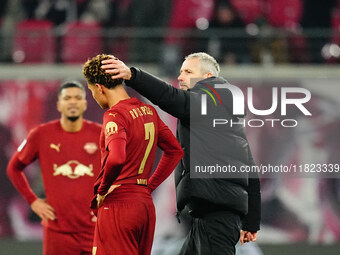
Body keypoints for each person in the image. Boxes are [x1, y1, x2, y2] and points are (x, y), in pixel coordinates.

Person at [101, 52, 261, 255]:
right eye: (180, 71)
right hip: (207, 217)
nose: (180, 76)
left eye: (188, 71)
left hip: (216, 216)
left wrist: (132, 75)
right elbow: (251, 171)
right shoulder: (224, 116)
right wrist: (252, 221)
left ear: (208, 76)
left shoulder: (212, 99)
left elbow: (173, 98)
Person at [82, 54, 183, 255]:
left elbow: (117, 157)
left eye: (92, 91)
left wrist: (102, 190)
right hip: (144, 205)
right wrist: (150, 185)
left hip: (119, 203)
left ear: (100, 87)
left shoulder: (114, 115)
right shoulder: (148, 111)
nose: (94, 96)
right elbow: (175, 151)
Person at [7, 81, 101, 255]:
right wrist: (33, 200)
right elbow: (14, 167)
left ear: (84, 103)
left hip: (94, 229)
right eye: (67, 98)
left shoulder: (101, 134)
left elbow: (121, 168)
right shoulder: (41, 134)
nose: (72, 102)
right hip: (58, 232)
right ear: (59, 104)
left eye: (77, 98)